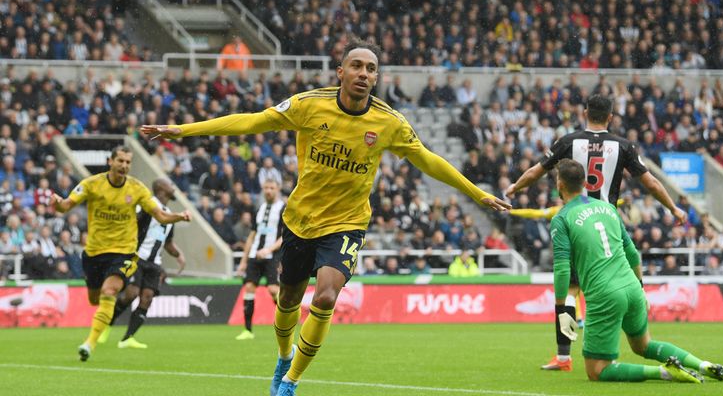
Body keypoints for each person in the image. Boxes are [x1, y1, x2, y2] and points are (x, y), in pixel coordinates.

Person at [141, 38, 510, 396]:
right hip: (301, 220)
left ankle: (290, 383)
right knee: (287, 301)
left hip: (347, 224)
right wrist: (184, 131)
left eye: (371, 68)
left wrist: (477, 193)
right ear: (340, 72)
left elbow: (430, 160)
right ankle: (284, 359)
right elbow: (251, 122)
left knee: (325, 298)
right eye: (356, 66)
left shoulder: (389, 123)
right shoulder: (308, 106)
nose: (364, 73)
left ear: (376, 78)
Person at [505, 94, 687, 372]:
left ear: (585, 111)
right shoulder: (623, 145)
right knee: (612, 284)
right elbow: (649, 182)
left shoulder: (568, 141)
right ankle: (623, 342)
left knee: (570, 292)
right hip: (608, 222)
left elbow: (536, 171)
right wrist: (673, 208)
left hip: (577, 223)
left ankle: (564, 357)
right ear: (611, 116)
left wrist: (513, 188)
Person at [550, 159, 723, 383]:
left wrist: (562, 311)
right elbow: (633, 254)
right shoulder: (608, 208)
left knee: (596, 371)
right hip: (632, 287)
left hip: (605, 294)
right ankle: (702, 364)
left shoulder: (562, 218)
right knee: (644, 345)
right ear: (585, 182)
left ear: (560, 184)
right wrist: (641, 288)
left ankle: (664, 372)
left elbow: (561, 269)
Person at [51, 146, 191, 361]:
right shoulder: (92, 184)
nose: (124, 166)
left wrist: (179, 216)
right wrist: (57, 204)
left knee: (110, 291)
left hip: (124, 252)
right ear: (111, 161)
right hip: (95, 253)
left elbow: (161, 216)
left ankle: (90, 343)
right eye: (121, 161)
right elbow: (66, 205)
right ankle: (104, 323)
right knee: (94, 299)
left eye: (128, 162)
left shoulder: (137, 189)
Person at [97, 178, 187, 349]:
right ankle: (106, 326)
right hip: (137, 258)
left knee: (147, 298)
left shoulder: (168, 214)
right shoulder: (147, 205)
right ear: (161, 188)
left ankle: (127, 338)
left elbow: (167, 243)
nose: (173, 187)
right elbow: (129, 222)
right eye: (170, 184)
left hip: (154, 264)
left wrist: (178, 255)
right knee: (131, 294)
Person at [235, 178, 285, 340]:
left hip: (272, 255)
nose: (268, 190)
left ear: (278, 189)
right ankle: (248, 330)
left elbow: (285, 236)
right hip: (254, 256)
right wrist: (243, 261)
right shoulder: (260, 208)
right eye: (266, 188)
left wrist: (269, 249)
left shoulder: (283, 209)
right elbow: (252, 236)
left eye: (272, 187)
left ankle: (286, 318)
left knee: (273, 290)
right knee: (249, 287)